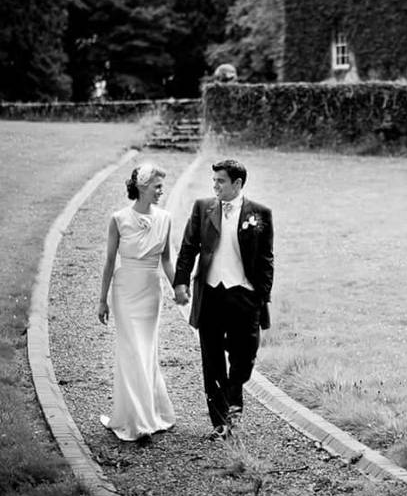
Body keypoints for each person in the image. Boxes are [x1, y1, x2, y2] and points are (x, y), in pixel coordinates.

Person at [173, 159, 274, 441]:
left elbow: (267, 259)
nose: (214, 185)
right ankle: (220, 422)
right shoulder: (203, 208)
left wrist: (261, 296)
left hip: (244, 296)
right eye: (214, 180)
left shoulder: (260, 214)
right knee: (212, 359)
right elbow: (188, 247)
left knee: (245, 356)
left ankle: (233, 396)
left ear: (237, 184)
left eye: (221, 181)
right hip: (211, 294)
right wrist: (180, 282)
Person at [97, 163, 178, 441]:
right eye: (157, 186)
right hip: (125, 290)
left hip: (150, 290)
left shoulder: (165, 218)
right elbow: (109, 261)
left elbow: (167, 259)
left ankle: (150, 414)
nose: (160, 191)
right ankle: (135, 420)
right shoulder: (118, 219)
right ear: (142, 187)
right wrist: (102, 300)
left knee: (146, 350)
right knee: (131, 351)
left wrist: (178, 287)